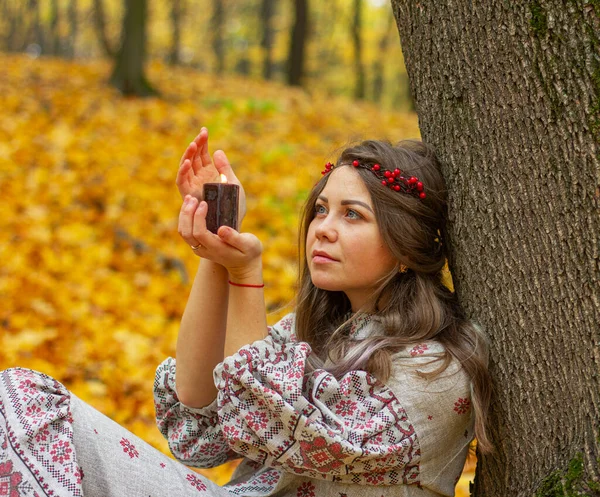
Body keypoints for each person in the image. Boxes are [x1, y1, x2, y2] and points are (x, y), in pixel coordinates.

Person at [0, 128, 492, 497]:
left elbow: (263, 420)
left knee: (27, 403)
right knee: (21, 404)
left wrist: (247, 273)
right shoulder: (313, 333)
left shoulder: (435, 369)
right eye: (320, 210)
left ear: (406, 244)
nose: (322, 228)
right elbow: (197, 412)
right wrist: (218, 254)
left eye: (353, 215)